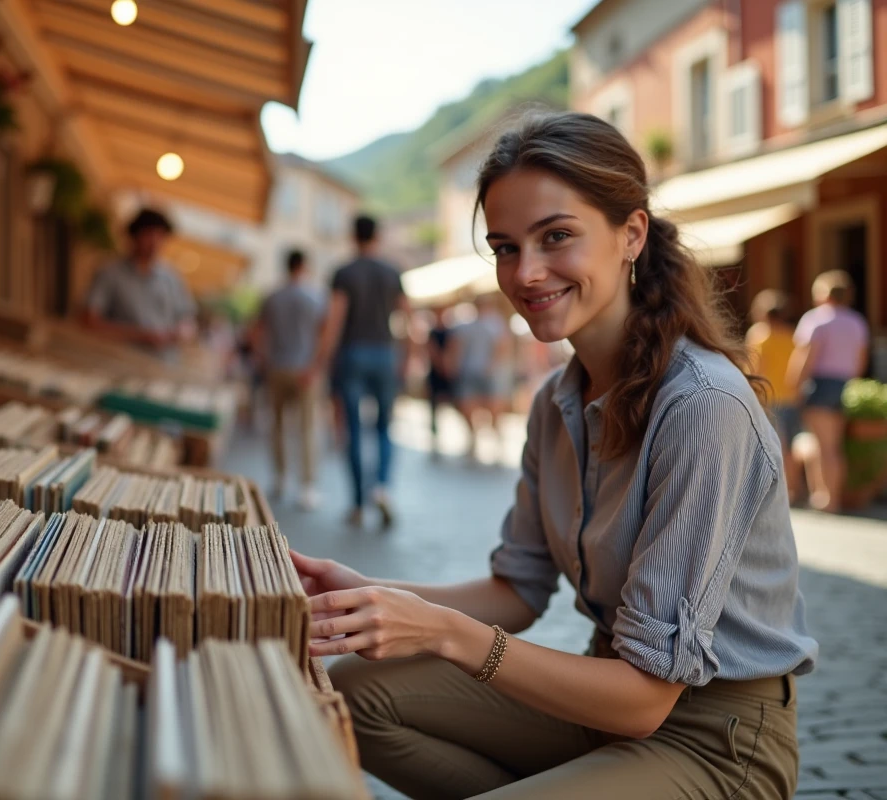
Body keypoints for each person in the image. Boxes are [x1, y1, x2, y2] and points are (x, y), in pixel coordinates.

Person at [292, 112, 816, 799]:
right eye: (506, 247)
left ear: (631, 234)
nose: (526, 272)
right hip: (599, 708)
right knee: (353, 694)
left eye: (557, 237)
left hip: (718, 741)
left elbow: (642, 700)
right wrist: (369, 597)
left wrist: (448, 634)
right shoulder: (554, 403)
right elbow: (515, 594)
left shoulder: (701, 406)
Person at [312, 215, 410, 528]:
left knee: (353, 430)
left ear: (352, 237)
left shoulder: (344, 272)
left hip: (352, 354)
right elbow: (408, 319)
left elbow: (335, 320)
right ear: (377, 236)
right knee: (383, 428)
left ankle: (356, 503)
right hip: (384, 353)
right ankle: (381, 486)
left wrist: (321, 360)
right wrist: (408, 356)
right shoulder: (392, 271)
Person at [788, 270, 869, 513]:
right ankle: (828, 495)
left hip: (821, 384)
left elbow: (806, 355)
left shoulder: (816, 319)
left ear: (823, 294)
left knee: (822, 444)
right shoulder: (857, 322)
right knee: (834, 445)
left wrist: (794, 384)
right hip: (846, 385)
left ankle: (826, 498)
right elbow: (861, 359)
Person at [252, 249, 327, 510]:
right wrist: (316, 366)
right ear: (304, 267)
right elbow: (323, 334)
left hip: (277, 367)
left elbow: (257, 332)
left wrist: (263, 361)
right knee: (306, 428)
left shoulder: (272, 296)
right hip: (306, 369)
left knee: (278, 425)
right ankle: (306, 485)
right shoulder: (316, 297)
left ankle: (280, 476)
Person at [81, 208, 196, 360]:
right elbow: (89, 322)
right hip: (117, 361)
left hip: (163, 365)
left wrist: (181, 332)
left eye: (160, 235)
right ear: (134, 235)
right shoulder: (110, 273)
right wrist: (141, 336)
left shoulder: (171, 279)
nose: (155, 241)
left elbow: (188, 321)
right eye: (149, 234)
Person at [746, 290, 803, 504]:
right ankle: (795, 489)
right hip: (791, 396)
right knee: (792, 444)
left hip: (768, 397)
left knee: (775, 445)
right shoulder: (792, 335)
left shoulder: (759, 336)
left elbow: (755, 368)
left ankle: (781, 492)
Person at [449, 292, 511, 463]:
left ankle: (498, 442)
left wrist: (492, 365)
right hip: (470, 370)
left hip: (490, 373)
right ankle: (473, 439)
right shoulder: (467, 323)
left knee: (494, 408)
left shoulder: (496, 323)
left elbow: (502, 346)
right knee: (466, 404)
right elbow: (458, 345)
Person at [426, 304, 455, 456]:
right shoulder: (433, 332)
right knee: (434, 407)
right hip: (438, 372)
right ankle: (435, 436)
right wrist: (442, 364)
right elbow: (432, 351)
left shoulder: (450, 331)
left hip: (447, 372)